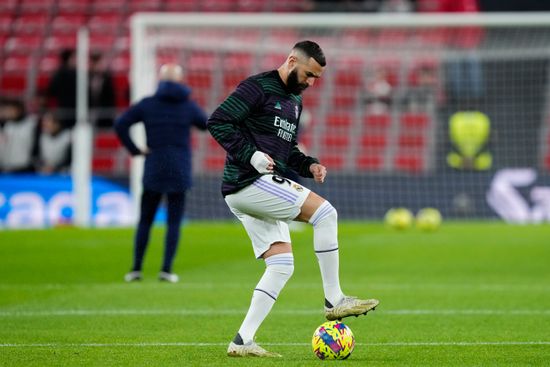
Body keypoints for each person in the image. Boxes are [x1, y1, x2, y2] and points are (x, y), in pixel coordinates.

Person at [207, 40, 380, 358]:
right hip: (248, 181)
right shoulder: (257, 87)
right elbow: (217, 121)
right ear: (291, 61)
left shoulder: (294, 101)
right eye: (309, 75)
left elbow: (288, 151)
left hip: (252, 187)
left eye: (316, 78)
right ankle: (334, 300)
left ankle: (242, 341)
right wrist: (251, 155)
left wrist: (308, 164)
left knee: (281, 265)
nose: (311, 83)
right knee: (325, 214)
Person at [115, 63, 208, 283]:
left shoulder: (148, 104)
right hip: (179, 167)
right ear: (180, 81)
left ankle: (136, 268)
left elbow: (121, 124)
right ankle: (166, 270)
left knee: (145, 219)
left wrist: (135, 150)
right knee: (174, 222)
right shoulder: (188, 106)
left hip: (154, 165)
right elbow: (206, 124)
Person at [0, 98, 39, 173]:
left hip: (24, 167)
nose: (8, 112)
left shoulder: (31, 124)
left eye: (11, 110)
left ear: (19, 110)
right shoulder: (6, 126)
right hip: (5, 167)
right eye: (7, 110)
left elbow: (36, 145)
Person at [47, 48, 77, 129]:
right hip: (67, 109)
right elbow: (52, 91)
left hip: (68, 108)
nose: (76, 60)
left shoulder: (58, 73)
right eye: (74, 58)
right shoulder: (66, 74)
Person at [88, 52, 116, 128]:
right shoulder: (87, 77)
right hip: (91, 111)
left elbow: (111, 96)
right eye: (94, 62)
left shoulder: (107, 77)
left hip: (105, 113)